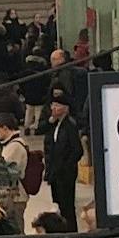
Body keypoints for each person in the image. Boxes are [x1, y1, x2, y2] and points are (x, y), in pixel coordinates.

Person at [43, 92, 84, 228]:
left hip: (65, 173)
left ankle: (71, 230)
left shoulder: (70, 126)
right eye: (52, 105)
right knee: (60, 204)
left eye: (57, 105)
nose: (53, 108)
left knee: (67, 206)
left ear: (65, 108)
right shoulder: (55, 125)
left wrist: (66, 166)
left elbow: (77, 150)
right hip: (56, 173)